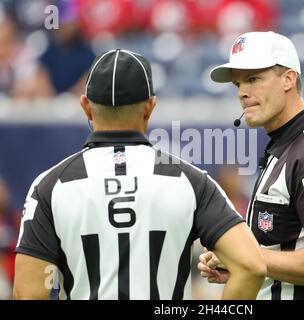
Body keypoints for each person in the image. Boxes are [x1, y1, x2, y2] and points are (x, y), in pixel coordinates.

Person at [13, 49, 266, 300]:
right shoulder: (189, 181)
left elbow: (28, 294)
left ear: (86, 107)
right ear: (150, 107)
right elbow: (250, 266)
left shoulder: (50, 186)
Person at [198, 31, 304, 300]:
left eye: (253, 79)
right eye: (237, 83)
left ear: (289, 79)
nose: (242, 92)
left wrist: (246, 258)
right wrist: (244, 268)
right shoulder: (288, 146)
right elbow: (284, 251)